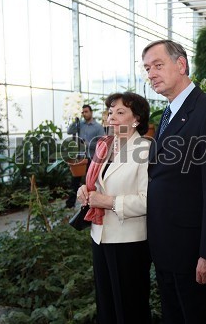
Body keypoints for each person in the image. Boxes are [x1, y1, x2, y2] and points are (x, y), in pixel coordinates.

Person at [142, 40, 206, 324]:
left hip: (195, 253)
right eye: (148, 68)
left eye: (158, 65)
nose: (151, 74)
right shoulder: (167, 114)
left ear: (181, 65)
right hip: (166, 249)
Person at [77, 92, 152, 324]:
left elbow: (148, 200)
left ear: (136, 119)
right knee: (107, 306)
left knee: (129, 308)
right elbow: (96, 183)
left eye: (121, 112)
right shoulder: (104, 147)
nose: (113, 117)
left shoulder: (145, 149)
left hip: (129, 241)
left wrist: (107, 202)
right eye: (111, 112)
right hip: (100, 236)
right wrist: (84, 191)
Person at [65, 105, 105, 208]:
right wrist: (75, 120)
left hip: (92, 158)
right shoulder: (80, 125)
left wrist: (88, 144)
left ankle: (89, 205)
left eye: (86, 111)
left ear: (91, 112)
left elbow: (103, 143)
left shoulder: (98, 127)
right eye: (83, 112)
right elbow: (69, 131)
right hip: (81, 157)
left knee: (90, 182)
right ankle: (70, 204)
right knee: (75, 181)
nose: (84, 114)